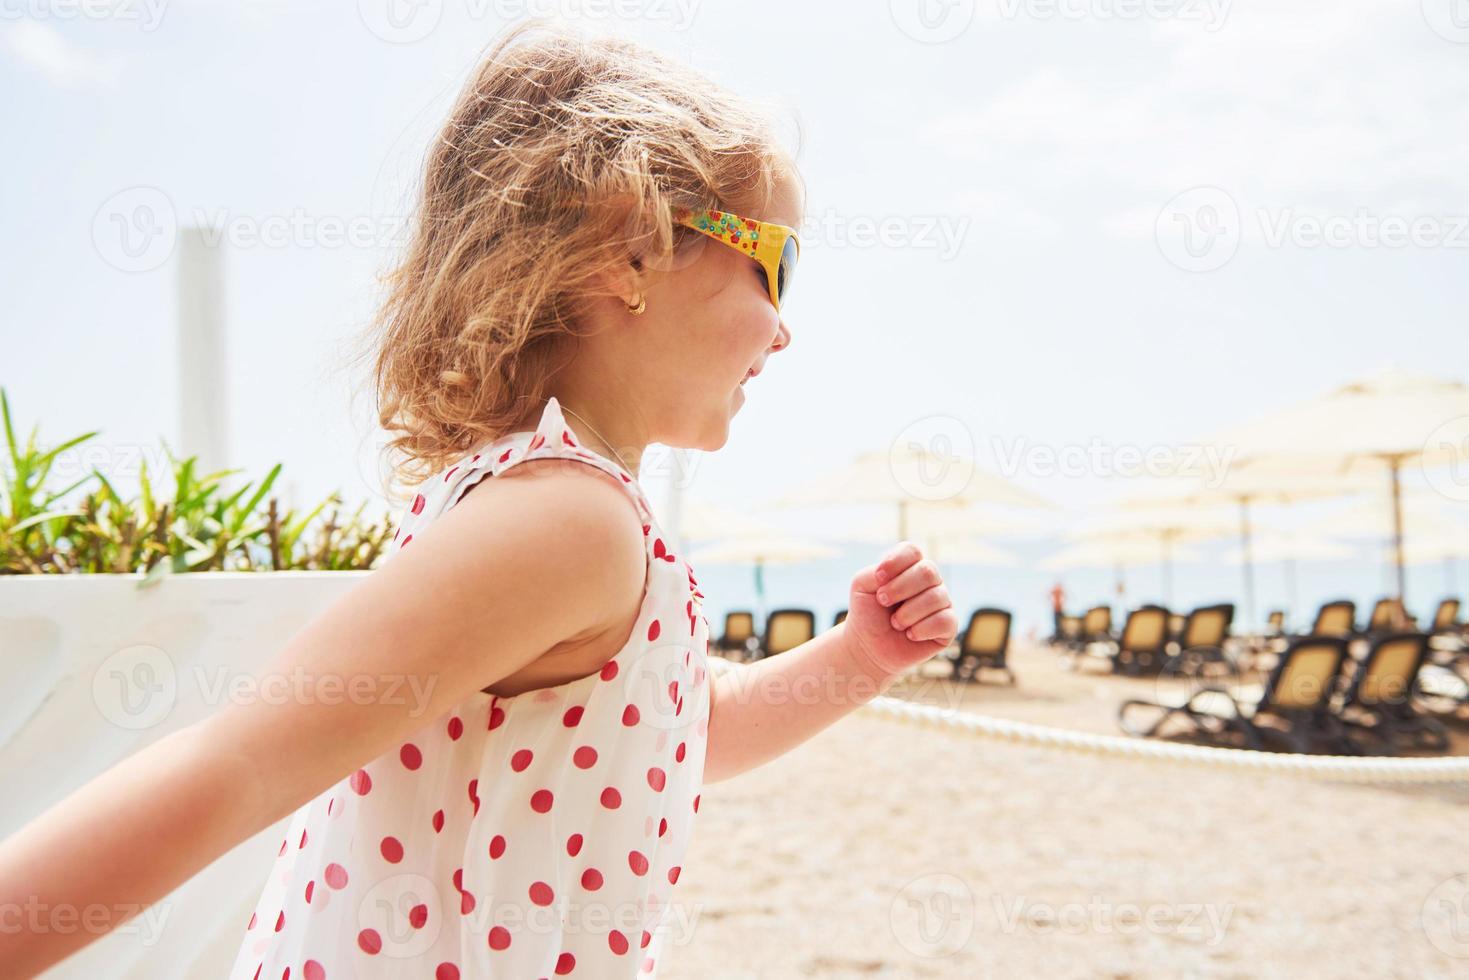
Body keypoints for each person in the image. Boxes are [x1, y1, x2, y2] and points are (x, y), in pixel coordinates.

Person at [0, 21, 958, 979]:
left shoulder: (570, 515)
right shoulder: (568, 523)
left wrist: (856, 656)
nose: (785, 332)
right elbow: (239, 767)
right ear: (634, 252)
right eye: (777, 266)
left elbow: (677, 729)